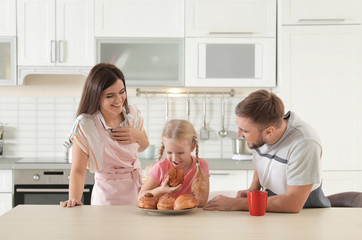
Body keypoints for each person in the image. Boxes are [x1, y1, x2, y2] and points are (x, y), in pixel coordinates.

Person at [204, 89, 331, 213]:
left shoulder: (304, 143)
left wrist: (234, 204)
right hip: (270, 205)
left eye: (245, 131)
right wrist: (253, 188)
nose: (239, 134)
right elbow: (261, 157)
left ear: (269, 132)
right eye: (239, 128)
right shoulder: (261, 133)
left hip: (306, 213)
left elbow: (293, 203)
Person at [60, 63, 149, 208]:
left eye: (122, 92)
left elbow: (143, 146)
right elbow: (78, 170)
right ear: (96, 96)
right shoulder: (86, 125)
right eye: (110, 96)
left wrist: (137, 136)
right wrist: (74, 199)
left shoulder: (132, 114)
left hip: (137, 192)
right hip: (107, 198)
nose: (119, 99)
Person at [139, 119, 210, 207]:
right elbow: (140, 197)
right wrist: (161, 190)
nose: (175, 158)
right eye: (169, 152)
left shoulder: (201, 165)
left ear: (193, 146)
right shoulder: (160, 168)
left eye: (180, 153)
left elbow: (202, 202)